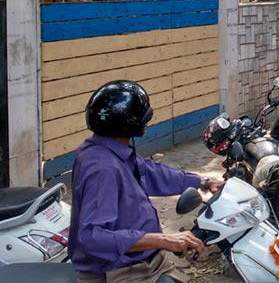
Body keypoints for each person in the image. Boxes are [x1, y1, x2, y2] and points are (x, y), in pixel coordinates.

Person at [69, 80, 223, 282]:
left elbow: (152, 173)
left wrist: (203, 181)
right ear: (131, 123)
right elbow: (92, 237)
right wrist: (163, 240)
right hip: (120, 272)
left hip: (146, 261)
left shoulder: (112, 151)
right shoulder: (103, 169)